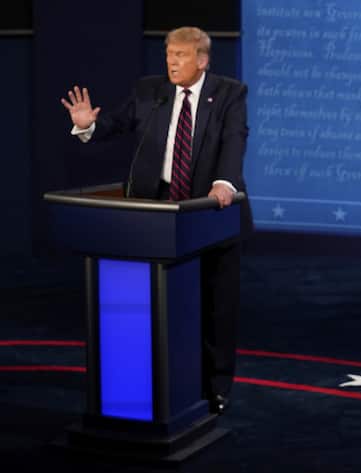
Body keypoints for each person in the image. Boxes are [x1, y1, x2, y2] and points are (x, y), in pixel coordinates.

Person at [60, 26, 250, 415]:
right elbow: (115, 123)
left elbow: (234, 139)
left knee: (216, 305)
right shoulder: (151, 91)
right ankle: (164, 379)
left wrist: (223, 182)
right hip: (157, 215)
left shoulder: (230, 93)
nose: (172, 62)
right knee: (159, 305)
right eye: (168, 54)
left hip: (210, 212)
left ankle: (216, 386)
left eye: (181, 55)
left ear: (203, 60)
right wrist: (88, 125)